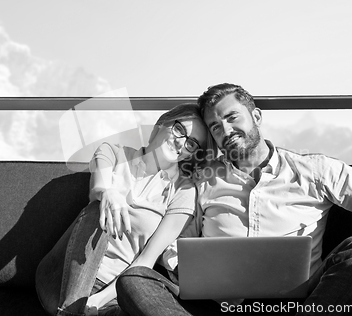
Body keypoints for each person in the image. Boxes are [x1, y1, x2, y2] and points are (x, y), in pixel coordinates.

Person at [115, 83, 352, 316]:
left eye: (231, 117)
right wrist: (192, 270)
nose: (225, 129)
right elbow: (175, 245)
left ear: (256, 116)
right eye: (215, 126)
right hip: (217, 308)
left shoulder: (313, 170)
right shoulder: (202, 180)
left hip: (298, 306)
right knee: (134, 279)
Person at [35, 103, 217, 316]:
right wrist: (107, 193)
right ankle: (72, 310)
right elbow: (98, 188)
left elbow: (145, 262)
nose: (181, 143)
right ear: (160, 125)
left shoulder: (183, 191)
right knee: (98, 209)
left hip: (109, 294)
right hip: (60, 276)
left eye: (192, 143)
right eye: (179, 130)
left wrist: (96, 301)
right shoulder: (112, 152)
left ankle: (73, 311)